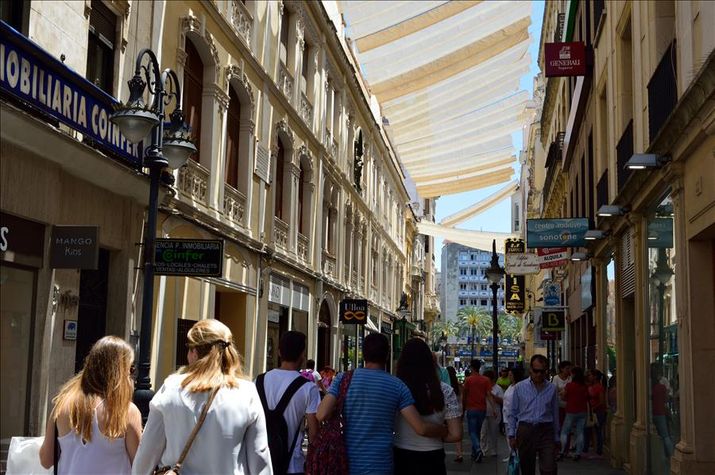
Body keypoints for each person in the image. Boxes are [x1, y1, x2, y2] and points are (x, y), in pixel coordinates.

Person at [132, 319, 271, 474]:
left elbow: (147, 453)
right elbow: (260, 456)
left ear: (194, 352)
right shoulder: (246, 392)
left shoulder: (171, 388)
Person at [316, 333, 447, 475]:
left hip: (345, 462)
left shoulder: (343, 379)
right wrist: (443, 430)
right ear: (387, 355)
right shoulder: (398, 386)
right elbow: (420, 428)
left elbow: (321, 414)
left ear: (363, 354)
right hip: (380, 465)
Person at [39, 336, 142, 474]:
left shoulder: (62, 405)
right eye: (131, 369)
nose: (131, 376)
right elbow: (141, 467)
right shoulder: (126, 411)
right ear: (120, 371)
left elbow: (46, 460)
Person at [393, 339, 462, 475]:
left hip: (401, 455)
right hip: (433, 457)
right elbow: (456, 435)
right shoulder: (445, 391)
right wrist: (440, 433)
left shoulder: (396, 389)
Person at [257, 331, 320, 475]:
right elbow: (314, 434)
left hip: (261, 464)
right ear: (302, 354)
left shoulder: (258, 382)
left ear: (279, 352)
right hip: (293, 465)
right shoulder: (309, 388)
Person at [506, 354, 560, 475]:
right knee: (527, 468)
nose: (539, 374)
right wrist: (511, 434)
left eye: (542, 371)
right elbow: (513, 412)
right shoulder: (520, 387)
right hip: (526, 429)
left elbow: (555, 414)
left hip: (546, 430)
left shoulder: (551, 388)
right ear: (530, 369)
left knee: (549, 467)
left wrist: (557, 437)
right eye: (536, 371)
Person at [462, 359, 492, 462]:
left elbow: (464, 395)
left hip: (471, 409)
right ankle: (474, 453)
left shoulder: (468, 380)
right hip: (482, 409)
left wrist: (463, 408)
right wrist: (493, 408)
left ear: (471, 367)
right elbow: (489, 395)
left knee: (472, 432)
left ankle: (478, 450)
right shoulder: (486, 380)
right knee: (477, 431)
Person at [557, 366, 589, 461]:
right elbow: (587, 397)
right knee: (580, 432)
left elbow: (563, 396)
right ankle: (578, 453)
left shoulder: (569, 385)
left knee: (564, 432)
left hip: (571, 410)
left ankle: (562, 451)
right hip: (582, 411)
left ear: (574, 375)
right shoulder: (584, 386)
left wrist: (566, 398)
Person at [501, 366, 525, 462]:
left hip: (515, 415)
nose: (509, 377)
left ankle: (516, 454)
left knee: (515, 435)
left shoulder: (519, 387)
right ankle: (512, 454)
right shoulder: (510, 386)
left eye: (511, 375)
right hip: (506, 414)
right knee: (508, 436)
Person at [650, 365, 674, 458]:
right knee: (665, 435)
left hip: (651, 413)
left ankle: (659, 456)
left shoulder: (649, 387)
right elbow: (666, 399)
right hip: (661, 413)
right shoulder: (662, 387)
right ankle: (671, 455)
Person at [583, 368, 607, 457]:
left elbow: (602, 401)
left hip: (598, 412)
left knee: (598, 431)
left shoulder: (599, 387)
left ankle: (599, 450)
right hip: (591, 411)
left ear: (595, 376)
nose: (589, 377)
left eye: (590, 375)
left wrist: (593, 408)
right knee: (587, 430)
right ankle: (586, 448)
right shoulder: (591, 386)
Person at [479, 370, 504, 458]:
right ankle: (483, 450)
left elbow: (502, 401)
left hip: (494, 414)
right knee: (483, 433)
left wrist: (492, 396)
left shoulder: (498, 388)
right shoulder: (482, 387)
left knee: (493, 433)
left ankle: (494, 450)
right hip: (483, 413)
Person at [552, 360, 572, 451]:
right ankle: (559, 447)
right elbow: (554, 391)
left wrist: (563, 391)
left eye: (569, 369)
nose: (568, 370)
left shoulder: (570, 378)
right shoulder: (556, 378)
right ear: (562, 369)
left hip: (569, 406)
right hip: (558, 406)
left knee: (568, 428)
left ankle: (566, 448)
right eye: (567, 368)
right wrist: (564, 391)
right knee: (559, 426)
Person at [446, 366, 464, 463]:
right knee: (458, 430)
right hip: (458, 409)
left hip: (448, 409)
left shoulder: (446, 386)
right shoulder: (458, 385)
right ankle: (459, 452)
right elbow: (462, 398)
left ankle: (458, 453)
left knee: (450, 430)